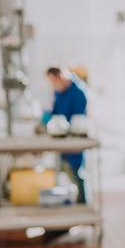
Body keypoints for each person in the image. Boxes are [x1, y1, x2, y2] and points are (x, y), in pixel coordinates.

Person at [45, 66, 88, 203]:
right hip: (61, 141)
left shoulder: (78, 93)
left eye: (53, 81)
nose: (53, 85)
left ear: (60, 77)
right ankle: (68, 199)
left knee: (76, 172)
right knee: (64, 172)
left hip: (75, 140)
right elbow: (55, 113)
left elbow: (77, 120)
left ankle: (83, 201)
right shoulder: (59, 92)